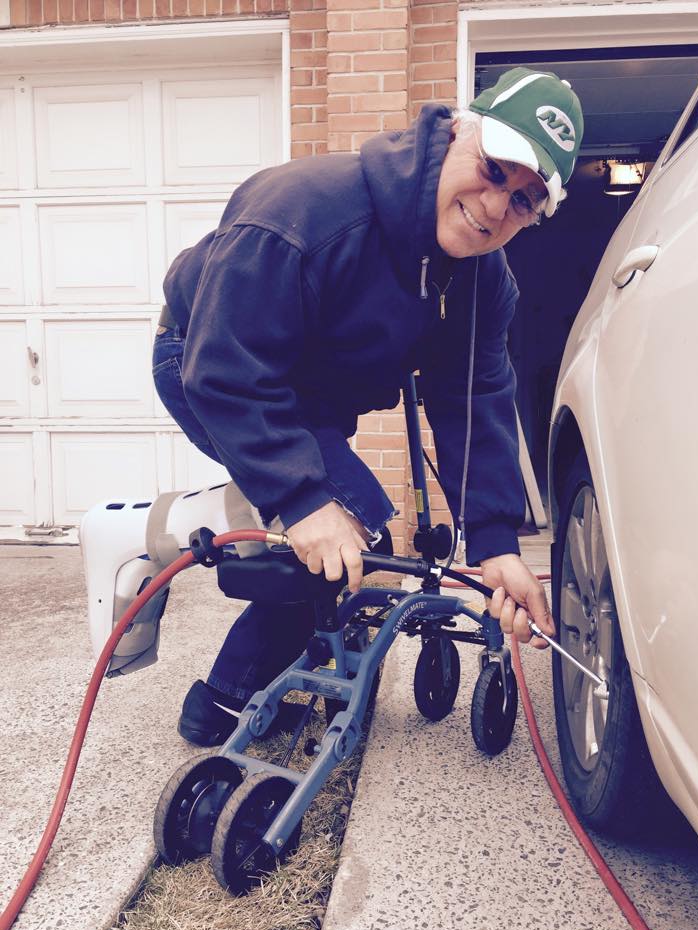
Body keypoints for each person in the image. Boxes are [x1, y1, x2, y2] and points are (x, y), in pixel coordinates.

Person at [152, 67, 584, 745]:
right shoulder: (305, 210)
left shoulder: (482, 280)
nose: (498, 208)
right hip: (201, 355)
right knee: (346, 532)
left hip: (304, 392)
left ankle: (295, 647)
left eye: (526, 201)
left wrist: (497, 543)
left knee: (353, 534)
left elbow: (474, 399)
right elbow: (226, 368)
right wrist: (300, 497)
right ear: (453, 135)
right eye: (495, 170)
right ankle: (223, 700)